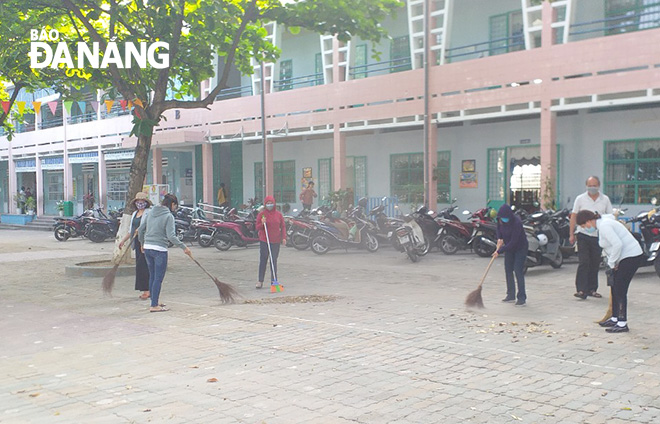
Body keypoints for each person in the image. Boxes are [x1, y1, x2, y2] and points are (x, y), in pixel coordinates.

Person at [576, 211, 642, 333]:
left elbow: (617, 244)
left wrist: (612, 264)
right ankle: (615, 317)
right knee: (614, 287)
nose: (586, 229)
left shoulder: (605, 226)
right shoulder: (602, 226)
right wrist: (614, 261)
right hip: (622, 258)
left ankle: (622, 323)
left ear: (589, 221)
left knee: (620, 288)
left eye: (584, 226)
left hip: (630, 256)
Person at [138, 193, 192, 312]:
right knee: (158, 278)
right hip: (159, 250)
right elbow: (171, 236)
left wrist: (142, 243)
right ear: (172, 204)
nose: (174, 209)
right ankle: (154, 306)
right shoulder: (169, 216)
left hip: (147, 247)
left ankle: (154, 300)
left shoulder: (151, 212)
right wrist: (184, 247)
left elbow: (141, 229)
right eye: (175, 206)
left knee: (152, 275)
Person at [569, 176, 613, 299]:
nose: (592, 188)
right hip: (583, 234)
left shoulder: (605, 199)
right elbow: (574, 216)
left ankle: (592, 289)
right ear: (586, 185)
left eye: (594, 185)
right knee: (584, 262)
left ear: (599, 186)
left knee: (595, 262)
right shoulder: (580, 199)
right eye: (590, 185)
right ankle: (581, 290)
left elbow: (610, 216)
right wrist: (571, 233)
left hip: (598, 236)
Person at [493, 204, 529, 306]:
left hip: (520, 247)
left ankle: (521, 297)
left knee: (517, 270)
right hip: (509, 248)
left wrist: (499, 251)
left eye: (506, 218)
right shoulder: (500, 221)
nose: (504, 220)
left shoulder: (516, 223)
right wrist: (499, 239)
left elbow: (514, 242)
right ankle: (510, 294)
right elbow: (498, 230)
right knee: (508, 269)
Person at [119, 192, 152, 300]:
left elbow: (150, 228)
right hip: (136, 243)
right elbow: (131, 230)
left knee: (145, 266)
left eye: (142, 202)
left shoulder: (149, 213)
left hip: (146, 243)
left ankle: (148, 290)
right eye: (138, 202)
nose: (140, 204)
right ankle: (144, 289)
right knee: (140, 266)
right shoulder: (134, 214)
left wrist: (143, 242)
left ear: (146, 203)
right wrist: (123, 240)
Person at [255, 195, 286, 289]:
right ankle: (260, 281)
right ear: (265, 204)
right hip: (265, 240)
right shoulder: (262, 214)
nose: (270, 205)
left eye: (271, 203)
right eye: (268, 203)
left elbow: (283, 226)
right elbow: (257, 227)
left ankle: (274, 281)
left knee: (273, 261)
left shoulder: (278, 214)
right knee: (263, 260)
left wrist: (284, 237)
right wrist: (262, 223)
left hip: (276, 240)